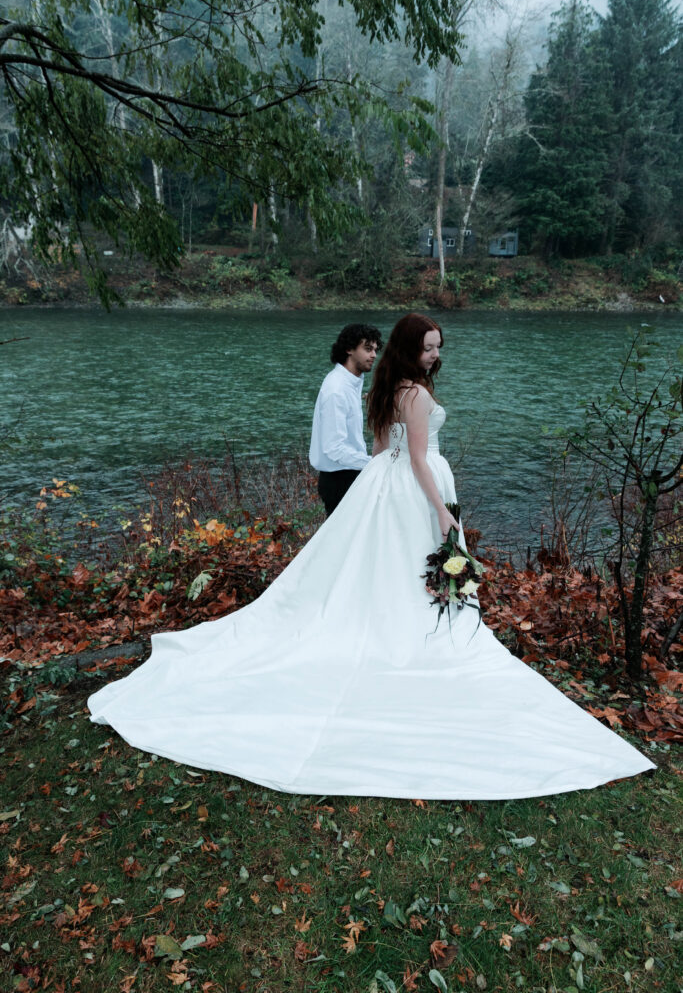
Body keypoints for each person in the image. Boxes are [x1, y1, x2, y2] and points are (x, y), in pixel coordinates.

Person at [88, 313, 654, 799]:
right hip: (417, 490)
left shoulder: (386, 387)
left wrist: (391, 485)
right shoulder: (415, 392)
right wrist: (441, 511)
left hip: (390, 485)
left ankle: (420, 613)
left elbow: (382, 450)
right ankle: (432, 627)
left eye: (438, 347)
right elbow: (416, 459)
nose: (435, 355)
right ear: (412, 349)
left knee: (384, 565)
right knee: (424, 560)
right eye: (428, 347)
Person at [309, 323, 382, 516]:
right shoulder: (337, 390)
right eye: (367, 349)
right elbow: (334, 448)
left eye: (375, 349)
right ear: (349, 349)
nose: (374, 355)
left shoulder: (351, 383)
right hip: (339, 481)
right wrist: (374, 464)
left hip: (350, 475)